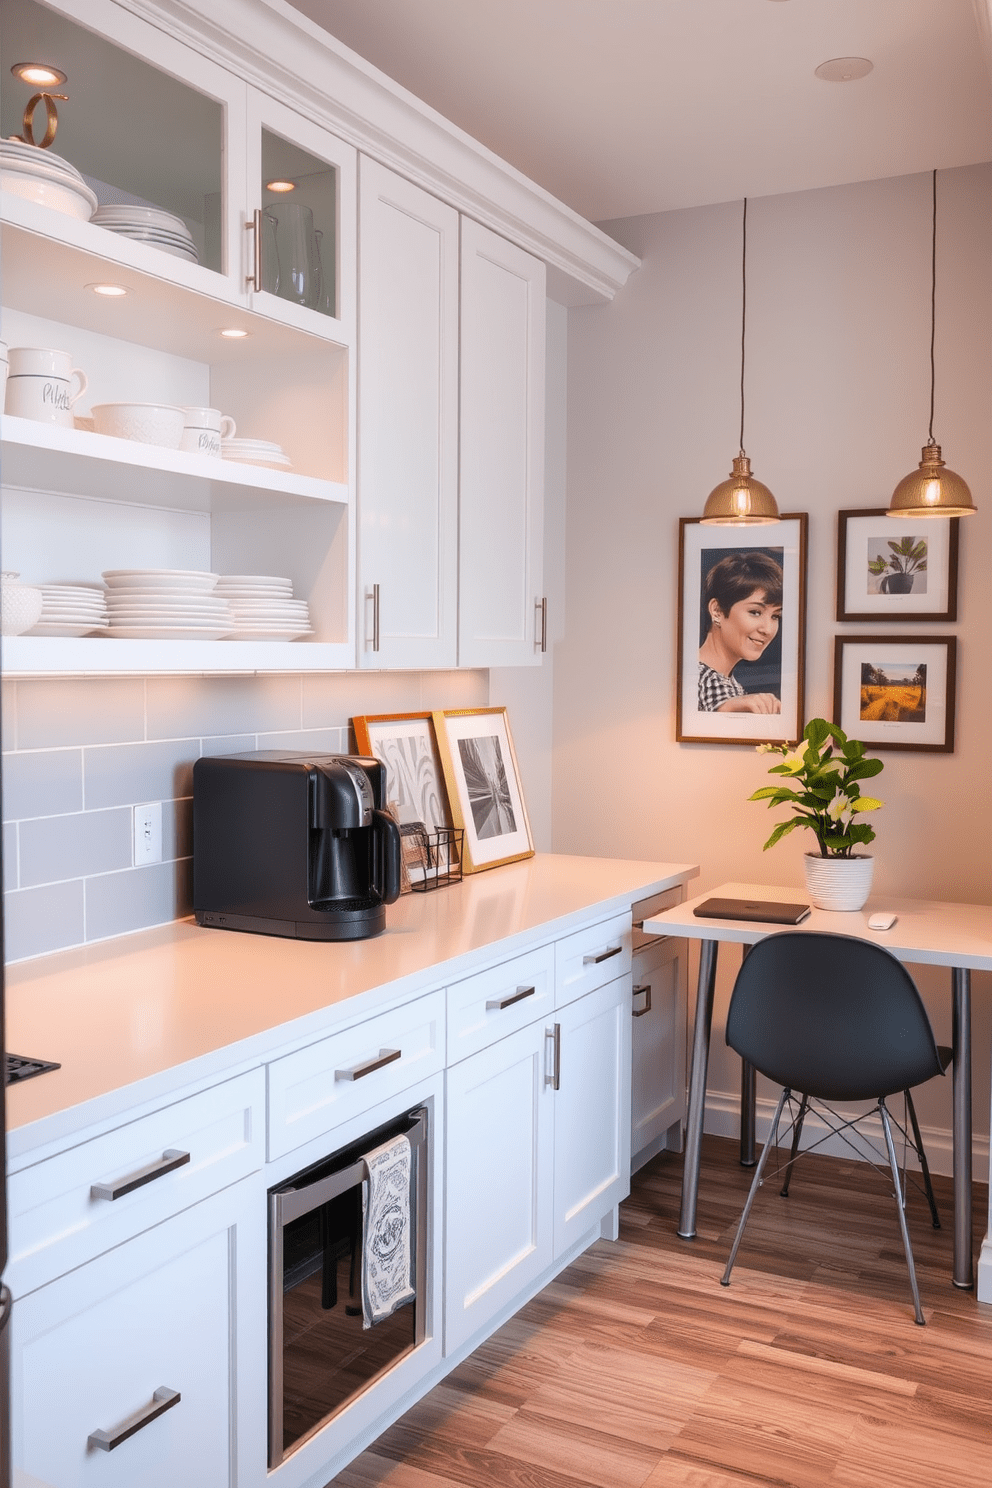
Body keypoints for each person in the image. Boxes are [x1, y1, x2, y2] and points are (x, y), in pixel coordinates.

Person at [698, 551, 783, 713]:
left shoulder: (730, 684)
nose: (767, 629)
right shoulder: (701, 681)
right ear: (716, 611)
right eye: (755, 612)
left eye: (775, 616)